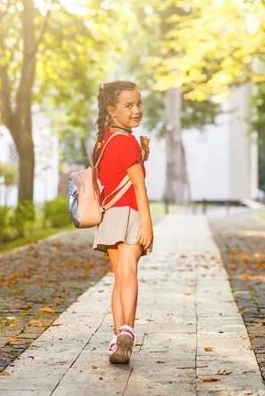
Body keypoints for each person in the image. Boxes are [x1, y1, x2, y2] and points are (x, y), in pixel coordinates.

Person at [91, 81, 153, 364]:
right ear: (112, 110)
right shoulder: (127, 142)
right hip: (129, 212)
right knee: (129, 273)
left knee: (119, 277)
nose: (136, 110)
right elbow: (139, 187)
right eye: (129, 106)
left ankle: (118, 339)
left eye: (138, 104)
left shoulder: (104, 141)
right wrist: (147, 224)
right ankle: (127, 329)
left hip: (109, 214)